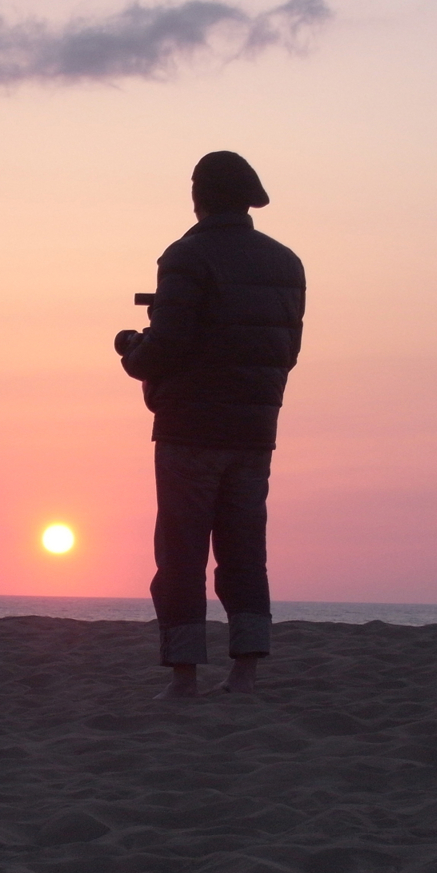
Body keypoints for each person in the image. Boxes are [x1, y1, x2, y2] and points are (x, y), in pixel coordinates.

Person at [115, 151, 306, 698]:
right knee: (245, 549)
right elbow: (285, 350)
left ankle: (183, 676)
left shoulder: (186, 256)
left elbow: (168, 346)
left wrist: (133, 352)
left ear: (201, 195)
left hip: (190, 430)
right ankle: (245, 670)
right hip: (254, 431)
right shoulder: (286, 263)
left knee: (181, 552)